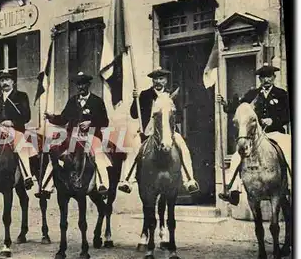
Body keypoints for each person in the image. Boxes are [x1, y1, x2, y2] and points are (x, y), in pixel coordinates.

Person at [217, 63, 291, 204]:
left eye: (269, 76)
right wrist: (225, 104)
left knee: (290, 151)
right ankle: (233, 190)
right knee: (236, 157)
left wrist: (274, 120)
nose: (266, 80)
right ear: (260, 79)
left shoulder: (282, 94)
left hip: (275, 133)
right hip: (256, 137)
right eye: (263, 77)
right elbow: (239, 107)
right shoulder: (253, 94)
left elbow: (288, 114)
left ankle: (292, 185)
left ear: (274, 77)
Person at [120, 67, 199, 194]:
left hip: (169, 131)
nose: (158, 81)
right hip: (148, 131)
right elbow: (134, 114)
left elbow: (180, 116)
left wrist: (171, 116)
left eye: (161, 79)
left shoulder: (172, 95)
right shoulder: (145, 95)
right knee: (134, 146)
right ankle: (127, 181)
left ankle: (189, 180)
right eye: (155, 79)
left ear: (166, 81)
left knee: (183, 148)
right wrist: (135, 100)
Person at [44, 72, 111, 195]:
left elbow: (105, 122)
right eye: (78, 84)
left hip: (91, 135)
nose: (80, 87)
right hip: (72, 137)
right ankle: (46, 186)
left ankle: (102, 185)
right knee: (55, 154)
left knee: (99, 156)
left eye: (83, 84)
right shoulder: (72, 101)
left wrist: (90, 123)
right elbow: (63, 119)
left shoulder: (97, 101)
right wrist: (51, 117)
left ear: (88, 85)